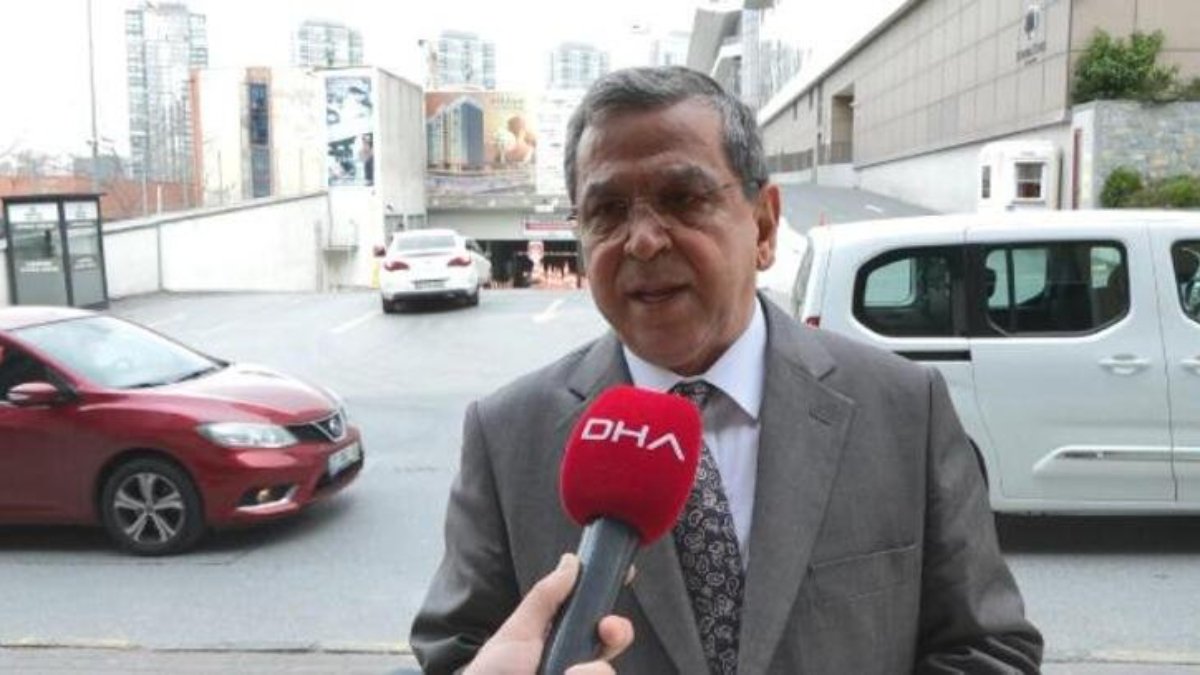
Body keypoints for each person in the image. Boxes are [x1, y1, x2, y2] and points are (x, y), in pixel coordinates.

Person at [412, 66, 1043, 674]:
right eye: (607, 210)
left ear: (763, 225)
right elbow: (454, 652)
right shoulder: (509, 436)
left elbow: (987, 649)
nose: (642, 240)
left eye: (683, 199)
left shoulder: (904, 409)